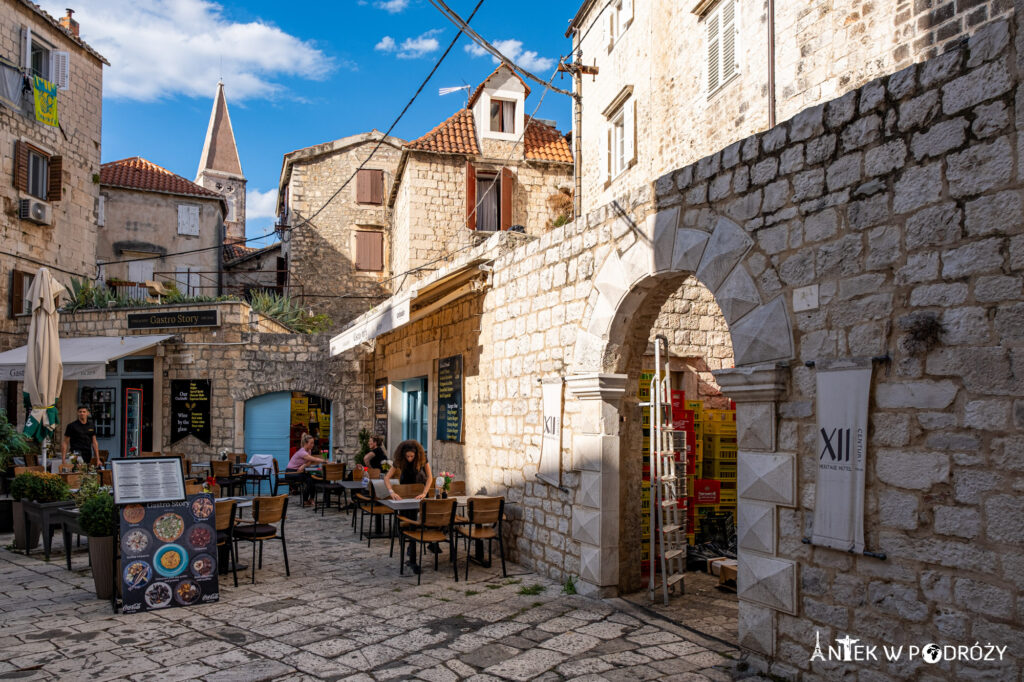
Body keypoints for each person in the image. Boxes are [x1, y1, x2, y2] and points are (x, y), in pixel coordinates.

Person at [384, 439, 433, 573]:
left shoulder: (422, 459)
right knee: (408, 521)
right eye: (408, 456)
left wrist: (424, 492)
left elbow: (430, 477)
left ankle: (428, 543)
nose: (410, 459)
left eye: (412, 456)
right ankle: (411, 550)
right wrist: (392, 492)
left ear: (416, 455)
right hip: (405, 493)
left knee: (425, 519)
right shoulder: (400, 461)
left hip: (420, 492)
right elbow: (387, 478)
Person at [285, 433, 325, 507]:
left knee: (313, 478)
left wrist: (304, 465)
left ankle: (311, 499)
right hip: (291, 472)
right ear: (306, 443)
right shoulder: (302, 452)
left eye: (313, 443)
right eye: (311, 443)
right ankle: (306, 500)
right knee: (310, 479)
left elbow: (309, 461)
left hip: (299, 471)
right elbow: (313, 459)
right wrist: (324, 461)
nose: (313, 445)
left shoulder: (308, 451)